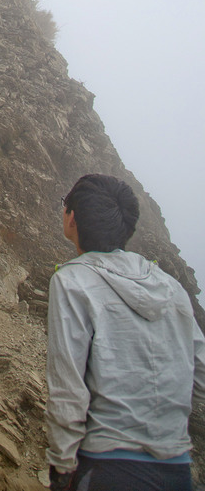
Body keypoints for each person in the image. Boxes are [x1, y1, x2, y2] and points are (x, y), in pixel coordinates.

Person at [46, 173, 205, 491]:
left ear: (72, 217)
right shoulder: (170, 287)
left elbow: (68, 387)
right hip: (177, 469)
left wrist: (62, 468)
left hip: (109, 469)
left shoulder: (72, 281)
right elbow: (199, 376)